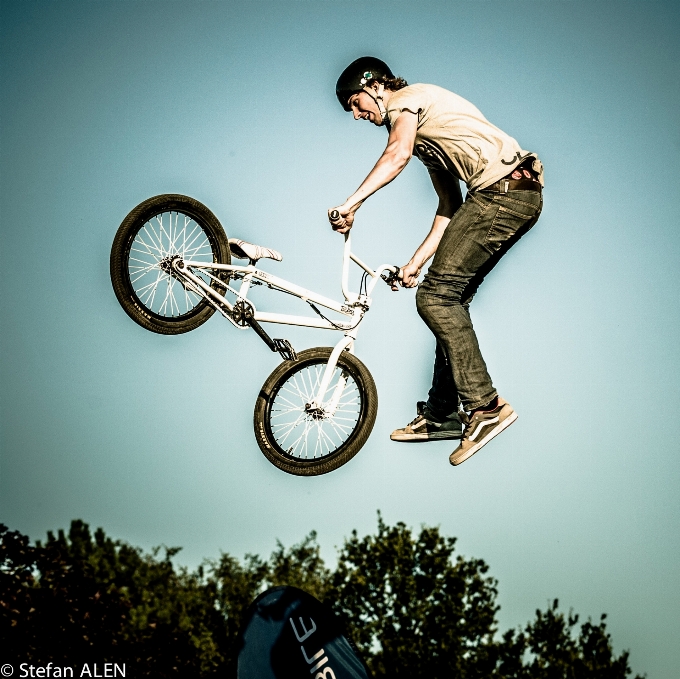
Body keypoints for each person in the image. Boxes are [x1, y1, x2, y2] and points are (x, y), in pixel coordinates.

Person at [329, 56, 544, 466]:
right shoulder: (429, 138)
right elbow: (450, 206)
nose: (356, 116)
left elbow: (396, 155)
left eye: (355, 104)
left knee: (435, 299)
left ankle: (485, 408)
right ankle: (443, 413)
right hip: (512, 195)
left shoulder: (405, 102)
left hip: (502, 193)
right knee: (449, 299)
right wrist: (415, 262)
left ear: (374, 86)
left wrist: (350, 203)